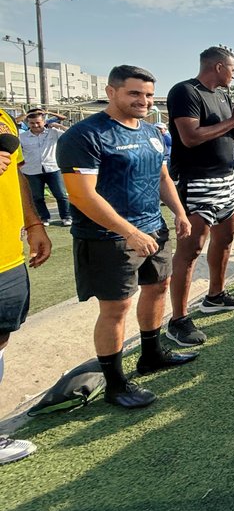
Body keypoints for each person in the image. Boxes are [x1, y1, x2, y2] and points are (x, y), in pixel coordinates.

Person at [58, 65, 196, 409]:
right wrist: (129, 232)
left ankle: (151, 355)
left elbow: (162, 175)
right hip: (108, 237)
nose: (144, 101)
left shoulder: (152, 131)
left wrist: (178, 212)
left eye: (148, 94)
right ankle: (116, 384)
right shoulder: (85, 135)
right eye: (135, 93)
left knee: (159, 287)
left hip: (154, 228)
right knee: (116, 308)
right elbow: (82, 195)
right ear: (111, 92)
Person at [166, 46, 234, 347]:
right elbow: (191, 137)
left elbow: (230, 138)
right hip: (197, 179)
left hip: (227, 178)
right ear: (219, 67)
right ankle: (178, 320)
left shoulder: (223, 96)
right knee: (191, 248)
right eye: (233, 68)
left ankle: (215, 295)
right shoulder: (185, 92)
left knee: (225, 238)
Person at [0, 106, 51, 464]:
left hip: (7, 255)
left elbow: (16, 175)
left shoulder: (2, 115)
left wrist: (34, 224)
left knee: (1, 338)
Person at [19, 110, 72, 226]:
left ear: (44, 121)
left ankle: (66, 216)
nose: (35, 125)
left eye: (38, 122)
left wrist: (58, 125)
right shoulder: (22, 137)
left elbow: (71, 134)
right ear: (28, 123)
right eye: (32, 123)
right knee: (37, 197)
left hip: (53, 168)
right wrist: (26, 115)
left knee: (61, 195)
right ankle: (44, 218)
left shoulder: (53, 132)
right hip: (31, 170)